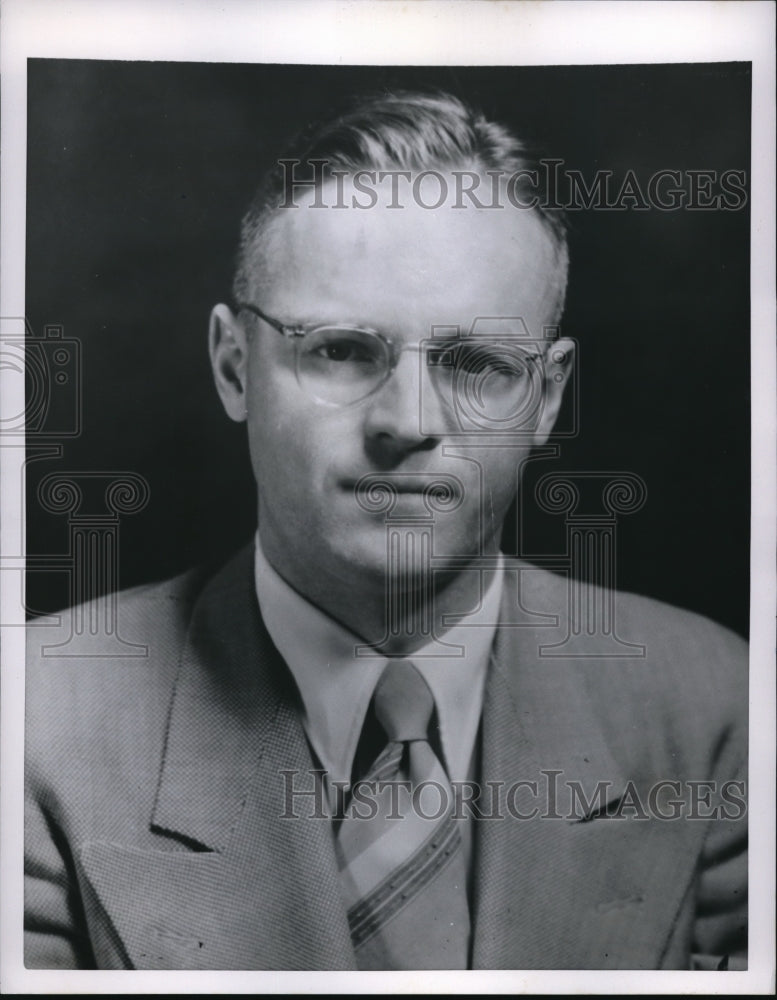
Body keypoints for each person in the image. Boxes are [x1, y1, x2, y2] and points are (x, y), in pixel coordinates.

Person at [25, 91, 747, 971]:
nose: (407, 421)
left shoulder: (719, 707)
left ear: (546, 397)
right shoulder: (34, 719)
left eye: (477, 363)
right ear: (233, 366)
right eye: (339, 349)